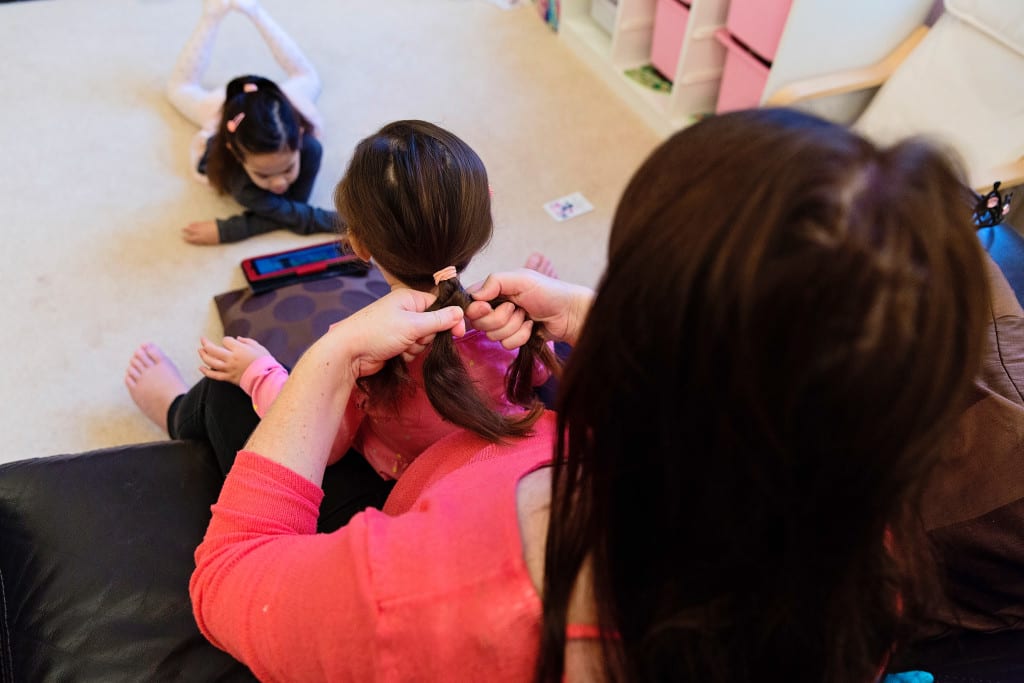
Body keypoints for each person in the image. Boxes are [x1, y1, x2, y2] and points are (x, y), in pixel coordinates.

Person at [187, 108, 990, 682]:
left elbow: (227, 580)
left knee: (224, 401)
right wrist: (585, 316)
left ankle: (181, 410)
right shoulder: (859, 539)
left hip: (414, 523)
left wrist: (328, 360)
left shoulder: (447, 589)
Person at [126, 120, 557, 526]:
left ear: (358, 245)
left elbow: (320, 443)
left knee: (221, 387)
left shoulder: (365, 356)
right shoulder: (511, 323)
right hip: (492, 478)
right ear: (485, 212)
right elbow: (537, 372)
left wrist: (259, 373)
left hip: (399, 491)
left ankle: (177, 411)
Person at [167, 0, 339, 245]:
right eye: (264, 175)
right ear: (236, 155)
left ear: (299, 138)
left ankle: (254, 10)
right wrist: (356, 223)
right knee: (178, 89)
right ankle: (211, 16)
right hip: (220, 109)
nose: (279, 183)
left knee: (309, 77)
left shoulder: (310, 148)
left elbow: (293, 209)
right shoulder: (240, 182)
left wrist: (232, 228)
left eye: (288, 168)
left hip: (275, 102)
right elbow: (295, 214)